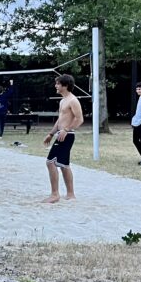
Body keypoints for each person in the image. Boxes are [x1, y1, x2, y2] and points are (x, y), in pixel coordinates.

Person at [42, 74, 84, 203]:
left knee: (50, 162)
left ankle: (55, 194)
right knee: (64, 165)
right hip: (61, 133)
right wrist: (51, 133)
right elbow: (60, 120)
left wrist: (66, 130)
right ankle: (71, 194)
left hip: (67, 136)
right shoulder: (62, 100)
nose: (56, 86)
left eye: (58, 84)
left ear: (65, 85)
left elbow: (80, 119)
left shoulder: (73, 100)